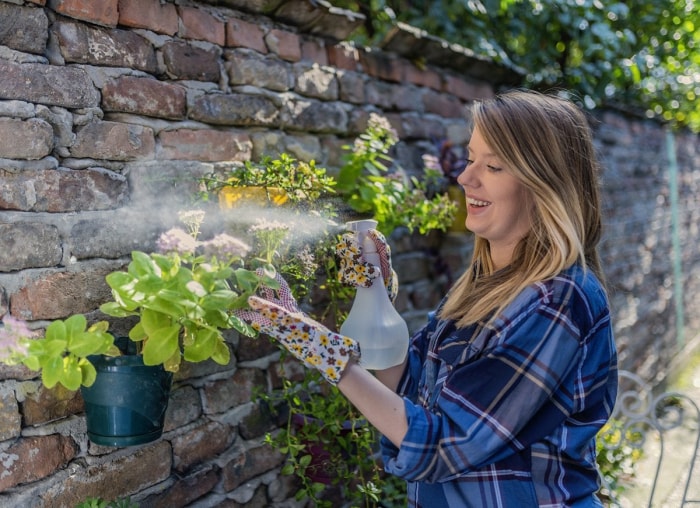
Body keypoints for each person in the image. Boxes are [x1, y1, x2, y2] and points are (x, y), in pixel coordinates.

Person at [238, 89, 618, 507]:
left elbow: (444, 443)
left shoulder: (558, 300)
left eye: (492, 165)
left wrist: (321, 350)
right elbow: (410, 391)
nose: (466, 178)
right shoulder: (482, 286)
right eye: (471, 158)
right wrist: (374, 294)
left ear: (543, 184)